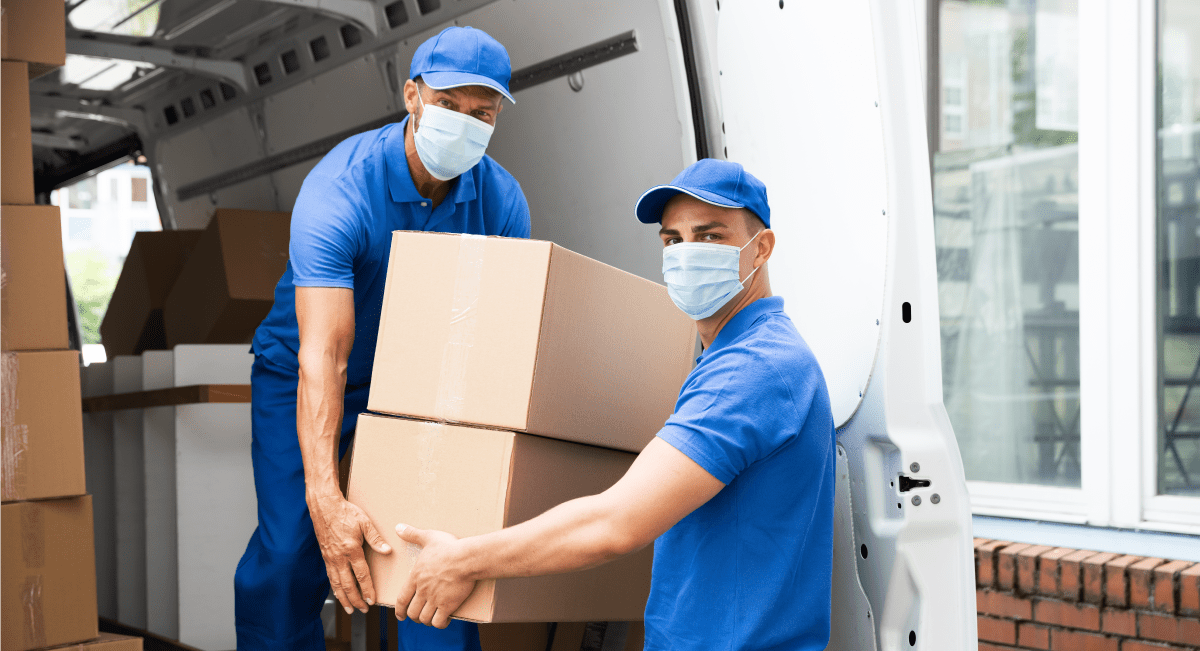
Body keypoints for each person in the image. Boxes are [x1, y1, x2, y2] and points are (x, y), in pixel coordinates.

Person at [390, 159, 837, 650]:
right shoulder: (734, 355)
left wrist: (461, 560)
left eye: (710, 237)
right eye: (674, 240)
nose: (688, 254)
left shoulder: (753, 370)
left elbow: (614, 524)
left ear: (762, 249)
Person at [234, 26, 530, 651]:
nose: (465, 123)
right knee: (293, 547)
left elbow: (494, 342)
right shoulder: (340, 190)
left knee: (439, 552)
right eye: (449, 105)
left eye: (483, 114)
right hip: (304, 368)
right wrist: (326, 498)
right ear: (412, 96)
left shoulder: (501, 203)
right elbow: (325, 355)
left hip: (417, 386)